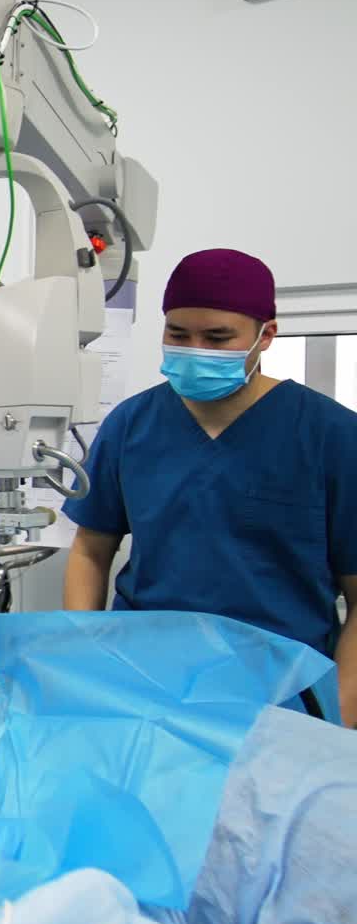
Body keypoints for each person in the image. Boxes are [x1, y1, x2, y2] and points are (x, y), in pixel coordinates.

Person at [63, 248, 357, 725]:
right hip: (146, 686)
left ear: (267, 336)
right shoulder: (131, 424)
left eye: (218, 339)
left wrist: (336, 725)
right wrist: (86, 659)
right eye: (178, 335)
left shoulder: (332, 435)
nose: (196, 349)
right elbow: (90, 551)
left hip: (284, 699)